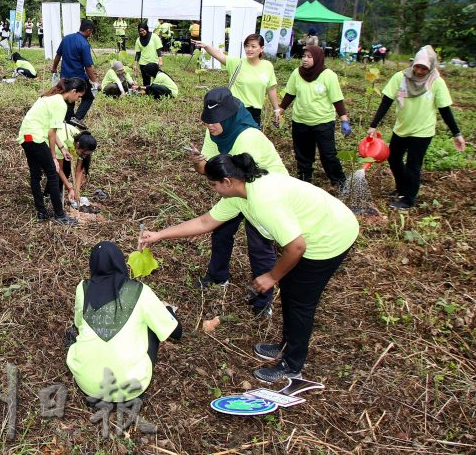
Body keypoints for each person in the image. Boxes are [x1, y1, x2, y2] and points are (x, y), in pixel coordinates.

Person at [140, 153, 358, 382]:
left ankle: (293, 365)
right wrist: (159, 235)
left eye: (214, 184)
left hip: (329, 237)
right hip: (313, 231)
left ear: (227, 182)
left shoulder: (263, 201)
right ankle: (286, 344)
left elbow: (296, 247)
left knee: (300, 301)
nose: (214, 189)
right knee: (291, 287)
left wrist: (271, 277)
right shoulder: (240, 193)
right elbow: (206, 221)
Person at [189, 87, 287, 315]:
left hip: (263, 193)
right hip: (236, 189)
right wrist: (197, 162)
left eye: (216, 121)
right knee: (221, 232)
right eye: (207, 121)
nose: (210, 126)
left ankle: (263, 302)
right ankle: (217, 276)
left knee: (259, 244)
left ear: (230, 116)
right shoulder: (213, 132)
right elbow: (208, 169)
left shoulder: (248, 137)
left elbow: (234, 180)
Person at [65, 241, 182, 402]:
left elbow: (78, 324)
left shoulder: (83, 288)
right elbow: (176, 332)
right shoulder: (139, 291)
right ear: (120, 262)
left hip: (87, 385)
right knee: (152, 325)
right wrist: (167, 309)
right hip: (131, 389)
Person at [367, 45, 465, 210]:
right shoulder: (400, 77)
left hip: (422, 131)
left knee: (413, 164)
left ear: (431, 67)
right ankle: (401, 189)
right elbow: (386, 101)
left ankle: (408, 199)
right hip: (402, 128)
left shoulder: (436, 82)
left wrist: (457, 133)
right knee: (394, 158)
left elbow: (445, 110)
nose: (419, 71)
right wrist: (373, 125)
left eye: (424, 68)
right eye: (417, 67)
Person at [17, 78, 87, 225]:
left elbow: (51, 130)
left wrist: (61, 148)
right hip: (37, 138)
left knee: (35, 175)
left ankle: (41, 211)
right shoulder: (61, 104)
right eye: (79, 96)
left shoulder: (49, 98)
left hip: (26, 137)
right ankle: (60, 215)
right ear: (73, 92)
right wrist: (54, 157)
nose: (78, 99)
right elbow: (51, 133)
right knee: (53, 173)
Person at [280, 45, 351, 188]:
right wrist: (280, 110)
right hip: (300, 121)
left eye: (309, 57)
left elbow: (337, 99)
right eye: (303, 56)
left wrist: (344, 119)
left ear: (317, 58)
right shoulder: (297, 73)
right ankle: (305, 182)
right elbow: (290, 94)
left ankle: (340, 183)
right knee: (303, 157)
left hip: (323, 122)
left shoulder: (328, 75)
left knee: (328, 155)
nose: (305, 60)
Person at [197, 34, 282, 127]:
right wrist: (206, 46)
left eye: (253, 46)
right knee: (234, 138)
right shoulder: (237, 63)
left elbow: (271, 89)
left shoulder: (267, 66)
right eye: (247, 46)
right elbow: (218, 54)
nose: (249, 49)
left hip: (255, 112)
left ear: (261, 48)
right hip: (236, 109)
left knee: (251, 139)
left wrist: (276, 110)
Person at [50, 19, 97, 129]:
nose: (90, 34)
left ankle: (69, 122)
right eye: (91, 32)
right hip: (79, 78)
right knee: (88, 97)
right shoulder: (84, 44)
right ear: (88, 30)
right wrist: (95, 81)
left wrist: (54, 68)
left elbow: (58, 55)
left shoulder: (66, 38)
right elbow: (88, 66)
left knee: (69, 100)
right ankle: (77, 118)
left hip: (65, 77)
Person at [54, 126, 98, 211]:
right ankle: (49, 194)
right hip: (48, 142)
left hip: (68, 147)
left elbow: (79, 170)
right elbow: (59, 169)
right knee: (58, 171)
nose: (85, 156)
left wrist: (77, 192)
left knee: (67, 169)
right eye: (84, 153)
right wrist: (70, 188)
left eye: (87, 154)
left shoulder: (83, 140)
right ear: (77, 145)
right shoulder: (62, 145)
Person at [134, 22, 164, 87]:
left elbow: (158, 49)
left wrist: (160, 60)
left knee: (155, 79)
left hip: (153, 62)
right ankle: (147, 92)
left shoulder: (154, 36)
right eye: (140, 31)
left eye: (143, 30)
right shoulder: (138, 40)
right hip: (143, 63)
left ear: (146, 29)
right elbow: (137, 53)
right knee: (146, 81)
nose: (142, 32)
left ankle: (155, 91)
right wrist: (135, 64)